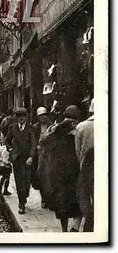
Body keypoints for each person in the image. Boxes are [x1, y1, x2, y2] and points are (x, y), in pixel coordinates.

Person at [38, 105, 83, 232]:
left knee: (63, 203)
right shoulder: (62, 129)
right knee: (76, 200)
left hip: (60, 172)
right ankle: (74, 227)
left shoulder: (56, 129)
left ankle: (66, 229)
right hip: (74, 170)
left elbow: (43, 142)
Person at [6, 107, 36, 215]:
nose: (21, 118)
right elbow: (7, 140)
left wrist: (31, 156)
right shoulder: (12, 128)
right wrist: (10, 149)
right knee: (19, 181)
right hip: (17, 159)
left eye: (23, 116)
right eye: (19, 116)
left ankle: (24, 196)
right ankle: (21, 203)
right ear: (16, 118)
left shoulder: (31, 128)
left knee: (27, 181)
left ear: (26, 117)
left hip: (27, 158)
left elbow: (33, 144)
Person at [75, 98, 94, 232]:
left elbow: (78, 151)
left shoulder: (82, 127)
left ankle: (89, 223)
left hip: (87, 168)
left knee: (86, 196)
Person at [32, 106, 52, 208]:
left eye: (44, 116)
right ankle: (44, 199)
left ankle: (49, 199)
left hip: (49, 156)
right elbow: (32, 141)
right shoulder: (35, 128)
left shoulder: (52, 126)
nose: (43, 118)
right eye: (41, 116)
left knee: (49, 178)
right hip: (38, 156)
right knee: (41, 178)